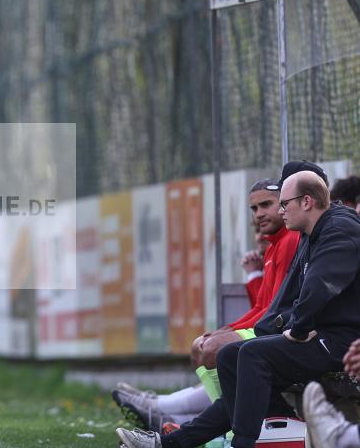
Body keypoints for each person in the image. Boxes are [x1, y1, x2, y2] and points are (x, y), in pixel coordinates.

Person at [117, 168, 360, 448]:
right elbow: (285, 298)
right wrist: (269, 329)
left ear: (307, 201)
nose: (280, 211)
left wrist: (296, 330)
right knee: (233, 354)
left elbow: (318, 287)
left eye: (283, 203)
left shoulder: (338, 228)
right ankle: (177, 442)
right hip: (320, 335)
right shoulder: (310, 233)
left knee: (253, 355)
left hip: (343, 344)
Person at [113, 178, 299, 431]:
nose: (259, 214)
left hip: (282, 334)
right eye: (254, 209)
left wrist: (250, 283)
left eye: (266, 204)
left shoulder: (288, 242)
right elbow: (262, 306)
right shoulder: (276, 245)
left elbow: (273, 310)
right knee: (202, 345)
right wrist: (227, 329)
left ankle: (194, 420)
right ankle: (184, 420)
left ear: (285, 204)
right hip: (269, 326)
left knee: (213, 349)